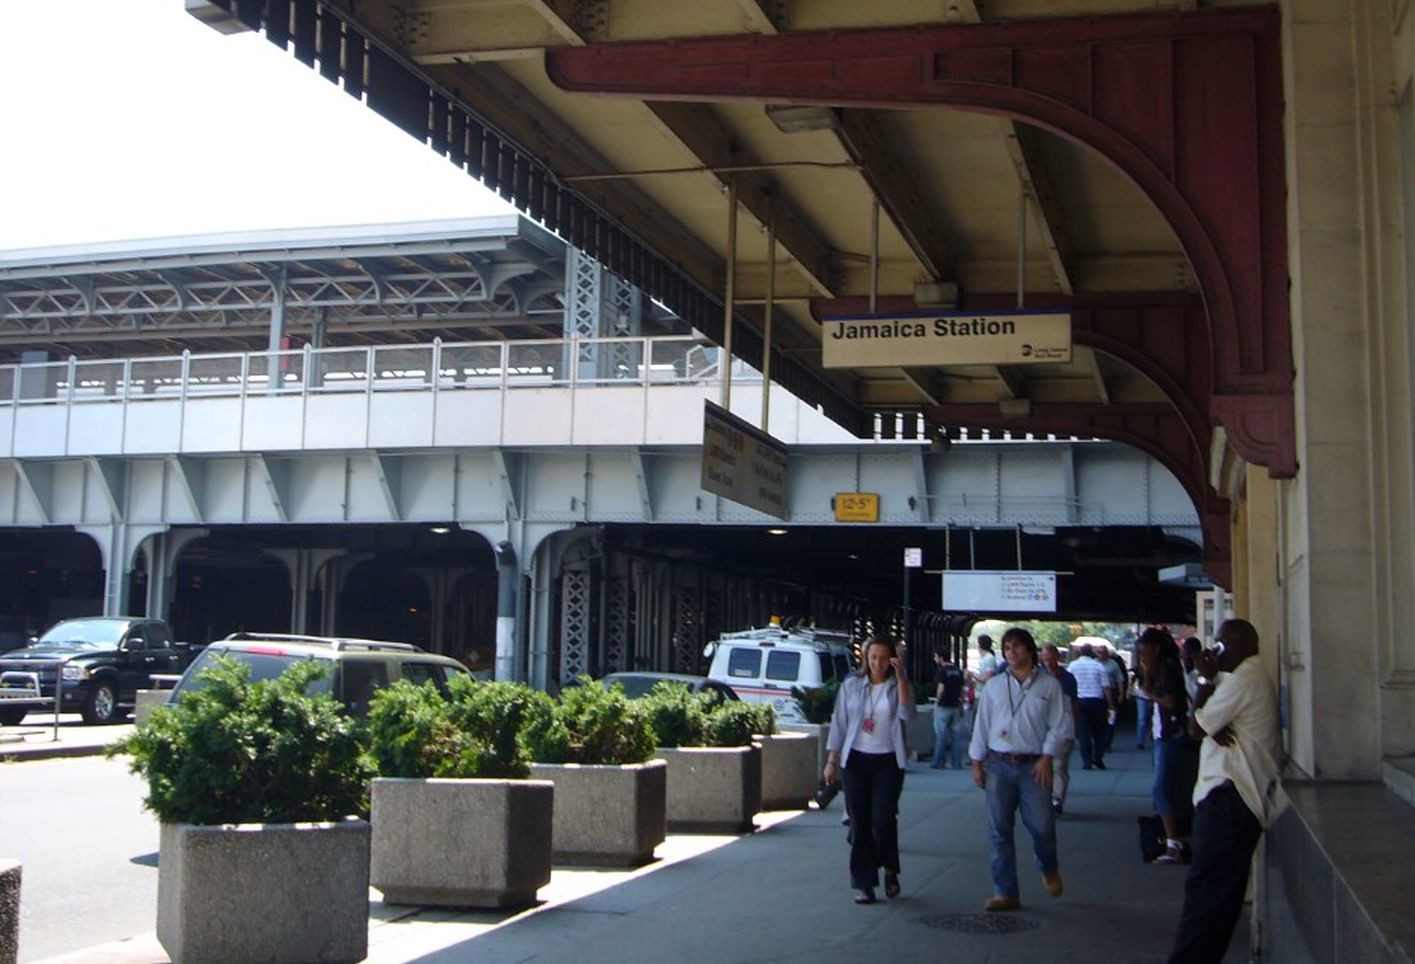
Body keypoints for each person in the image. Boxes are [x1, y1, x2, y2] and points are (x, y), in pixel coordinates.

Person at [1166, 618, 1284, 963]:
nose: (1216, 653)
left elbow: (1194, 727)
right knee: (1219, 894)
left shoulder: (1245, 678)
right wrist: (1210, 716)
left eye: (1222, 645)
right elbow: (1205, 723)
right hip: (1237, 798)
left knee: (1207, 894)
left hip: (1229, 798)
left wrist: (1205, 680)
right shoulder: (1245, 677)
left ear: (1247, 645)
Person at [969, 627, 1074, 912]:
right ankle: (1005, 891)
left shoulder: (1049, 686)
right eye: (1006, 648)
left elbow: (1062, 725)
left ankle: (1048, 866)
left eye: (1016, 647)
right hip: (999, 763)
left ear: (1030, 650)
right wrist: (976, 762)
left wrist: (1047, 757)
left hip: (1033, 765)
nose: (1010, 652)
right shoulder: (993, 686)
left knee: (1042, 825)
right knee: (998, 830)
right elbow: (982, 725)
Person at [824, 636, 915, 905]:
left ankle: (889, 868)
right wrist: (832, 759)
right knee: (860, 822)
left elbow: (908, 714)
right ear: (865, 658)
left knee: (883, 819)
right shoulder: (852, 685)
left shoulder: (898, 685)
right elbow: (839, 723)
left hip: (888, 760)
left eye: (884, 658)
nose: (878, 663)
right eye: (873, 657)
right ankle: (864, 883)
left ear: (892, 659)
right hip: (856, 761)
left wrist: (900, 680)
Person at [1135, 627, 1198, 864]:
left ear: (1157, 648)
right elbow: (1149, 688)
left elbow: (1170, 701)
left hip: (1172, 735)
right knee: (1168, 789)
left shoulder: (1170, 668)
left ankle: (1174, 844)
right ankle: (1176, 841)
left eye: (1144, 649)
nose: (1142, 653)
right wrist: (1147, 672)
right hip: (1164, 734)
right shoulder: (1160, 668)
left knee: (1162, 789)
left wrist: (1152, 696)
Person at [1040, 644, 1078, 815]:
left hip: (1063, 727)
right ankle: (1046, 797)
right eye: (1044, 659)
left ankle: (1057, 799)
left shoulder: (1068, 679)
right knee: (1044, 764)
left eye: (1050, 659)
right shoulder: (1038, 676)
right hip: (1041, 728)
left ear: (1057, 658)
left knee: (1059, 765)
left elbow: (1073, 704)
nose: (1047, 663)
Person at [1067, 643, 1114, 769]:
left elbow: (1068, 685)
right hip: (1097, 701)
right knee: (1100, 732)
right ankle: (1098, 758)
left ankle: (1087, 762)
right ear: (1092, 653)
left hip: (1080, 701)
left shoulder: (1072, 666)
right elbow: (1106, 687)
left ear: (1080, 653)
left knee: (1084, 733)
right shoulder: (1098, 666)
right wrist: (1110, 705)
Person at [931, 648, 966, 768]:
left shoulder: (942, 671)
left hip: (943, 706)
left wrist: (937, 703)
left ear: (941, 657)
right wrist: (961, 705)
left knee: (941, 736)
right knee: (956, 737)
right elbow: (962, 691)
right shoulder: (958, 671)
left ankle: (939, 762)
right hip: (956, 706)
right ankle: (956, 763)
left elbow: (941, 689)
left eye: (935, 656)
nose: (934, 659)